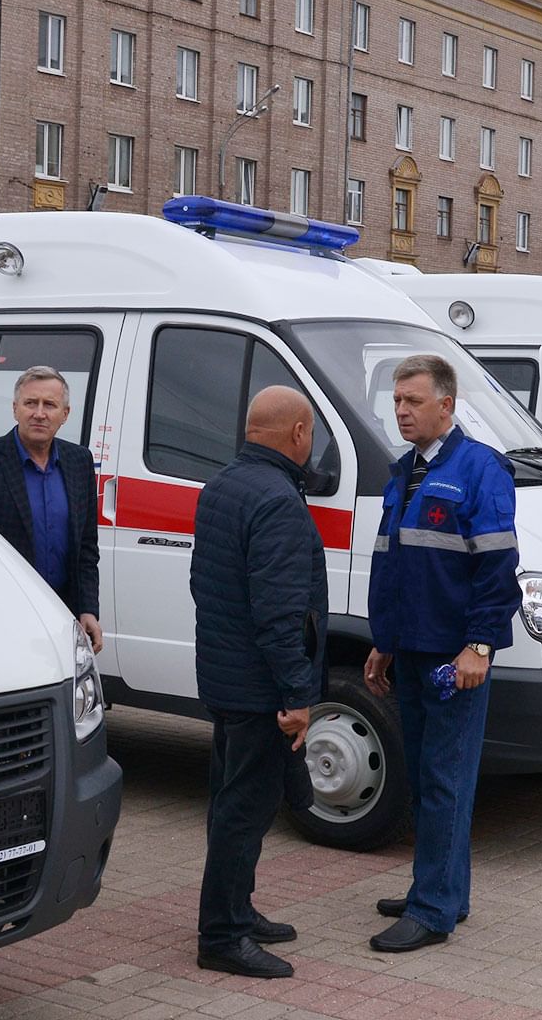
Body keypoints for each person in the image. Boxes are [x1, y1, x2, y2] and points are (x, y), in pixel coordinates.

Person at [363, 354, 517, 953]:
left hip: (457, 655)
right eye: (397, 401)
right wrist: (385, 640)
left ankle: (431, 911)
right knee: (429, 774)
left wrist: (479, 645)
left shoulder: (480, 469)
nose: (401, 411)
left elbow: (498, 569)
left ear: (446, 406)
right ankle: (445, 889)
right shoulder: (405, 471)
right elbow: (393, 566)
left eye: (413, 401)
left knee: (444, 780)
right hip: (412, 648)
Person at [190, 386, 327, 979]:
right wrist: (297, 695)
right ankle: (222, 936)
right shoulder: (277, 500)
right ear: (298, 432)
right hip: (258, 689)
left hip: (227, 677)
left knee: (232, 802)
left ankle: (236, 909)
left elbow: (210, 588)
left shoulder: (223, 485)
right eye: (313, 432)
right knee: (244, 810)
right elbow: (278, 612)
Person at [0, 366, 102, 652]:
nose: (39, 413)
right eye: (30, 403)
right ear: (15, 409)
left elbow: (86, 549)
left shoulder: (79, 462)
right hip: (2, 616)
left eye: (50, 405)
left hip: (62, 614)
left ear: (65, 414)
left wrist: (88, 609)